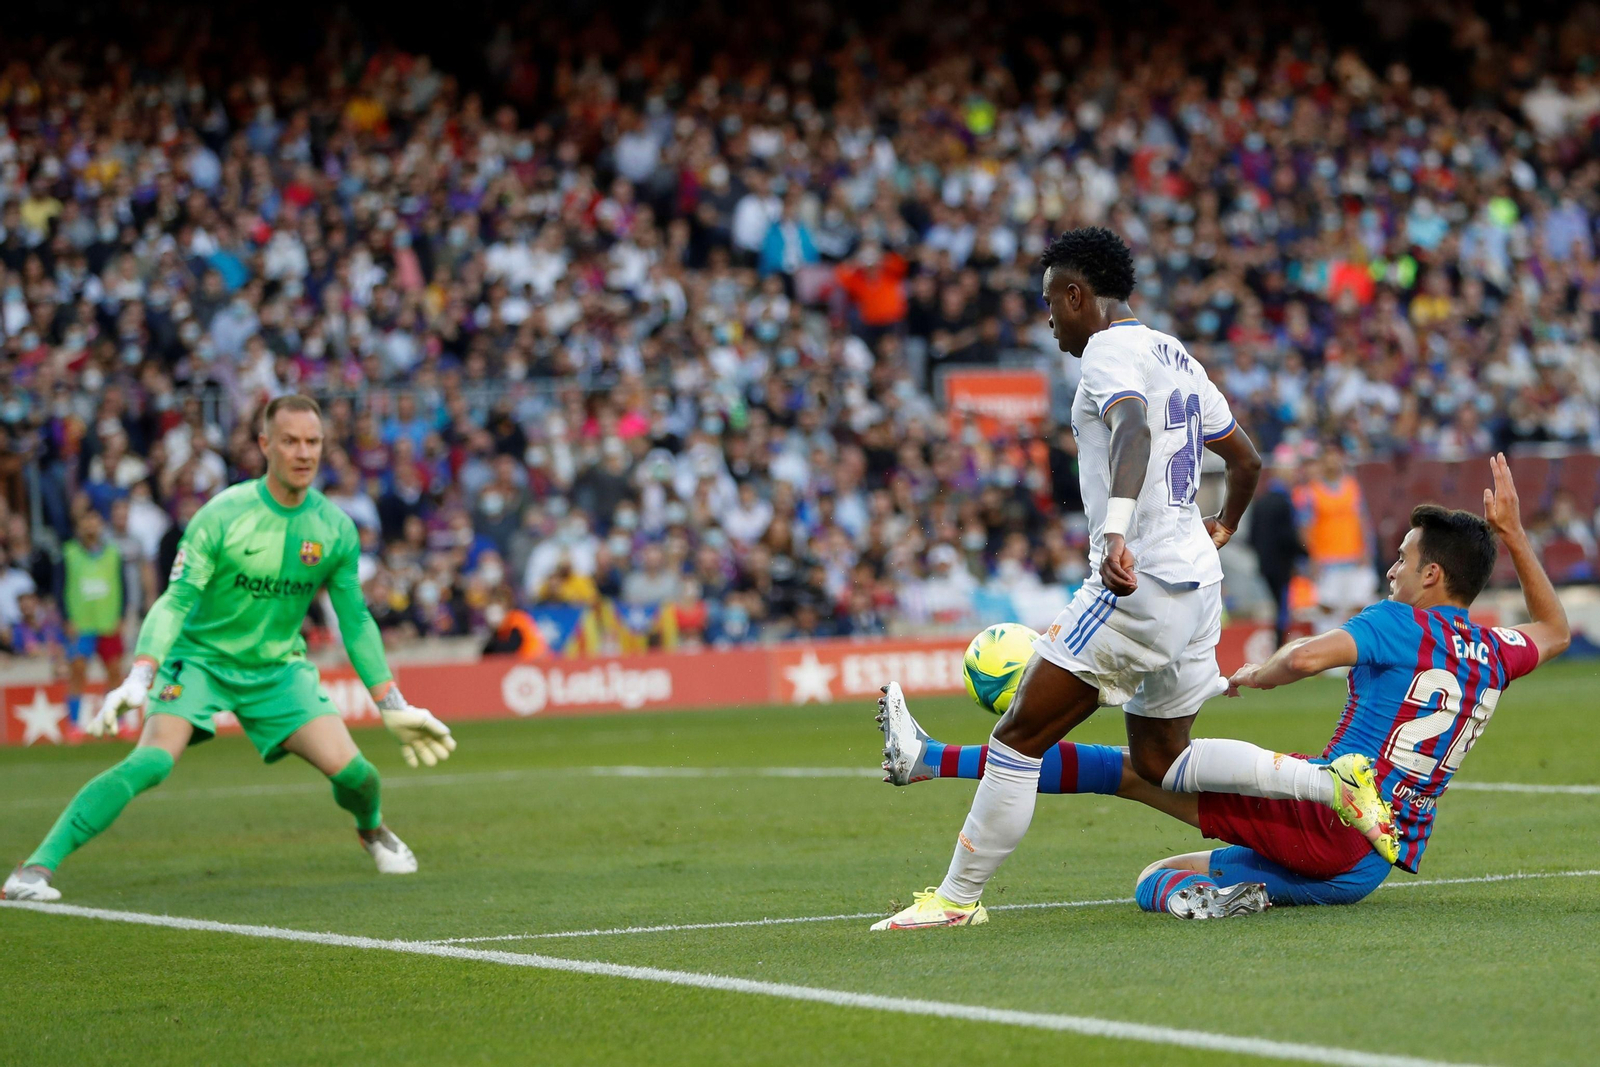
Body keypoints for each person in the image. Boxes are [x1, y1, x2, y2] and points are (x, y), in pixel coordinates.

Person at [872, 228, 1391, 932]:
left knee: (1017, 738)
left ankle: (956, 899)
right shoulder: (1175, 352)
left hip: (1135, 583)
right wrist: (1224, 525)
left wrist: (1116, 530)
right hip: (1196, 585)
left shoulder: (1107, 352)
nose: (1049, 314)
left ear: (1079, 293)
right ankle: (1330, 780)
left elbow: (1133, 429)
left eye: (1052, 298)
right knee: (1160, 756)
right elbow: (1248, 461)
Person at [879, 457, 1567, 918]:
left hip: (1328, 821)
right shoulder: (1496, 647)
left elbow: (1304, 660)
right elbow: (1555, 628)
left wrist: (1261, 670)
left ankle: (931, 759)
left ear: (1432, 578)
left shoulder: (1398, 622)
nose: (1391, 571)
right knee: (1157, 880)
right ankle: (1242, 895)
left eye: (1402, 559)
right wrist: (1511, 532)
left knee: (1137, 770)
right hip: (1367, 866)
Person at [3, 396, 457, 903]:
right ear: (265, 445)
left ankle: (372, 830)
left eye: (313, 442)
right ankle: (33, 870)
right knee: (151, 762)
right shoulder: (222, 516)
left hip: (277, 670)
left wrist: (391, 702)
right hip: (199, 661)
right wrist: (140, 675)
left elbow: (355, 619)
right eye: (290, 441)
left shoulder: (335, 528)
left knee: (359, 775)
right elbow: (175, 600)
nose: (303, 452)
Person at [61, 506, 124, 735]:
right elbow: (59, 588)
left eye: (94, 521)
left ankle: (117, 723)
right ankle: (74, 725)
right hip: (81, 623)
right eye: (86, 521)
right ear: (79, 526)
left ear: (101, 525)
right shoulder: (69, 553)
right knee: (78, 671)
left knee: (115, 671)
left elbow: (122, 585)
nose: (90, 526)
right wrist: (66, 618)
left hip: (108, 622)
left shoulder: (113, 552)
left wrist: (122, 614)